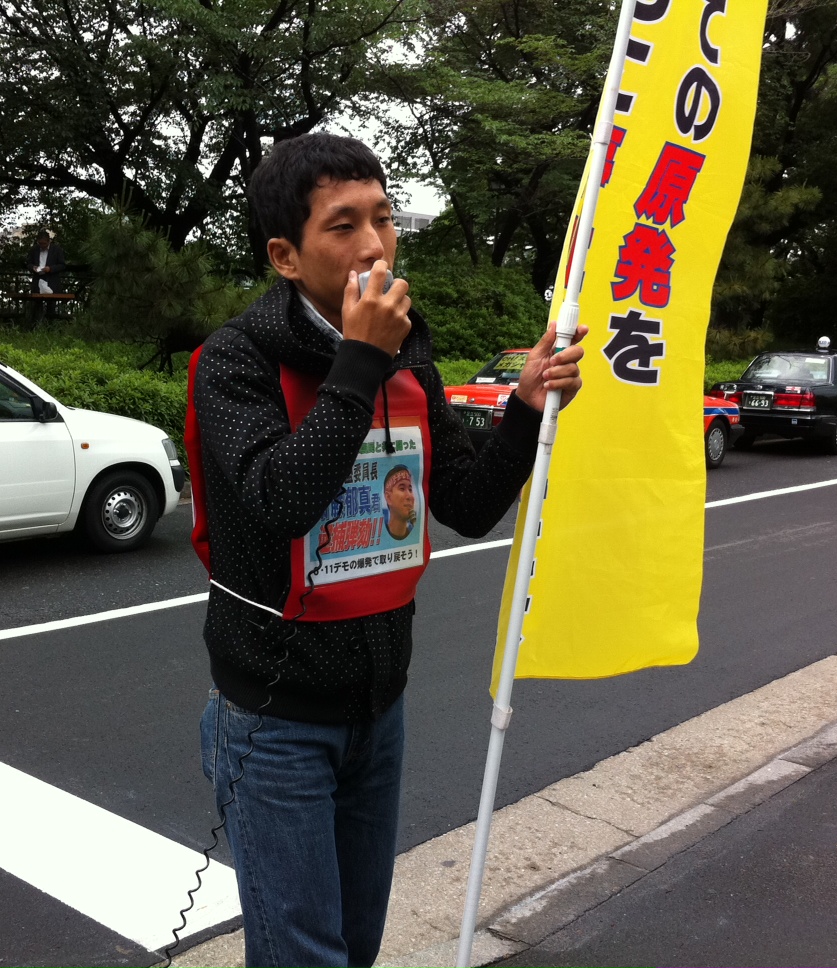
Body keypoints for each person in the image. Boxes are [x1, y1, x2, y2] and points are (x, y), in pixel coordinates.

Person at [190, 132, 586, 968]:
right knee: (306, 958)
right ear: (286, 256)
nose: (374, 246)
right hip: (274, 721)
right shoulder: (236, 360)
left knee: (357, 943)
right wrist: (360, 360)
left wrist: (522, 410)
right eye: (343, 226)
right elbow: (282, 499)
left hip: (378, 708)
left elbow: (466, 505)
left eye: (384, 218)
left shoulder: (410, 354)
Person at [24, 230, 66, 321]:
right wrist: (33, 267)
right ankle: (36, 324)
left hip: (51, 280)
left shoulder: (56, 250)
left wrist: (50, 269)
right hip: (38, 280)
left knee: (51, 305)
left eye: (44, 244)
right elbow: (28, 263)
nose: (42, 246)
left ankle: (50, 324)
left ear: (48, 241)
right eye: (40, 244)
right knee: (36, 305)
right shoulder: (34, 250)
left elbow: (62, 265)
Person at [382, 464, 417, 540]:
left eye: (410, 490)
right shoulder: (381, 536)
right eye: (402, 488)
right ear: (388, 497)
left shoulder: (415, 535)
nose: (409, 496)